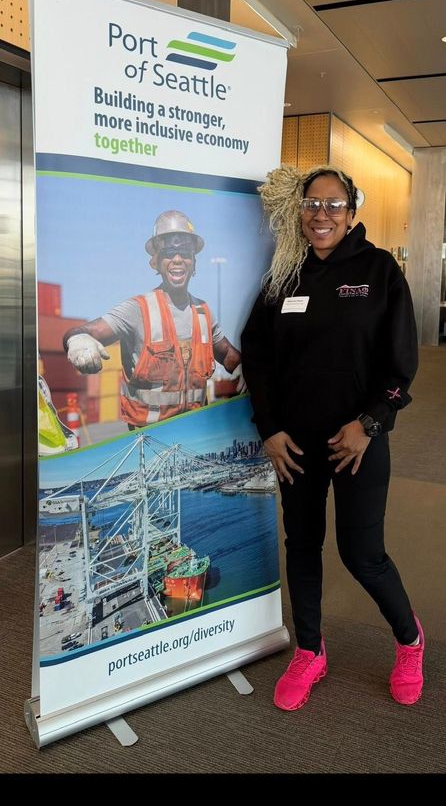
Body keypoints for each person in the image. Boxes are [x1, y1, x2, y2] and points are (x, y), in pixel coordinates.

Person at [241, 164, 424, 711]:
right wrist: (269, 428)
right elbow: (258, 355)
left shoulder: (379, 270)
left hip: (357, 443)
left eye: (333, 205)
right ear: (299, 210)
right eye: (312, 204)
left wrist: (369, 424)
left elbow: (402, 365)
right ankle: (311, 651)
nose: (321, 214)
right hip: (294, 446)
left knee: (362, 554)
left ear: (351, 212)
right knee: (301, 547)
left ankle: (410, 640)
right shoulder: (285, 275)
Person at [63, 210, 245, 427]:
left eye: (185, 253)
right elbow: (84, 331)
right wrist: (78, 340)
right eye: (169, 253)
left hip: (196, 437)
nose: (177, 260)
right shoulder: (137, 310)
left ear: (194, 262)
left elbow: (227, 354)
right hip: (148, 442)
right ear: (156, 262)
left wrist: (250, 369)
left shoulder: (203, 313)